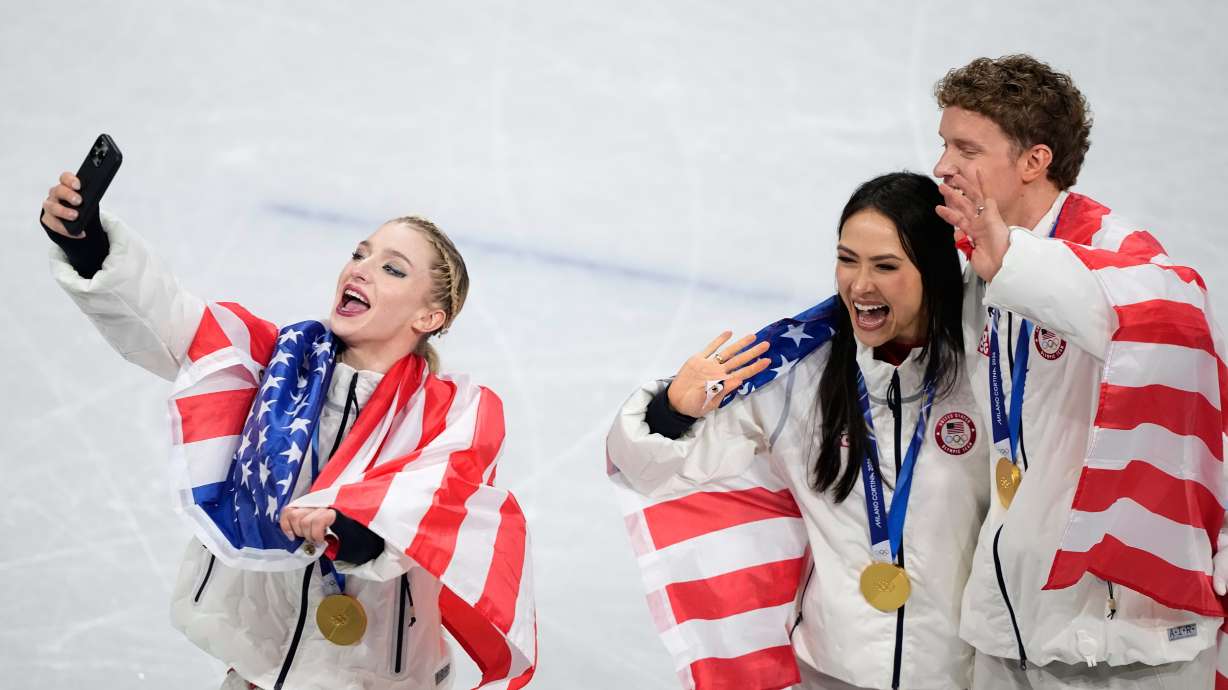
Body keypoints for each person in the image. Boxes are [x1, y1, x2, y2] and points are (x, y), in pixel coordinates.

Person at [39, 170, 535, 689]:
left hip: (375, 677)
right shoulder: (275, 362)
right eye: (359, 254)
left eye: (391, 269)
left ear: (429, 316)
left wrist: (356, 529)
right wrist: (90, 245)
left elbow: (436, 499)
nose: (360, 270)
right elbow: (170, 316)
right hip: (259, 663)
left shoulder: (455, 410)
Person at [607, 172, 989, 689]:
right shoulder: (798, 372)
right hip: (831, 673)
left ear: (934, 271)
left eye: (886, 266)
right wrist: (675, 411)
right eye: (847, 259)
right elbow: (648, 469)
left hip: (965, 675)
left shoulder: (988, 371)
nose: (859, 285)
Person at [931, 54, 1226, 688]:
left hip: (1125, 646)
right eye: (943, 144)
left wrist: (1010, 261)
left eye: (966, 148)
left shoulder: (1121, 258)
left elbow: (1164, 311)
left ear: (1034, 161)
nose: (943, 166)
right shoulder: (979, 264)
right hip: (1010, 626)